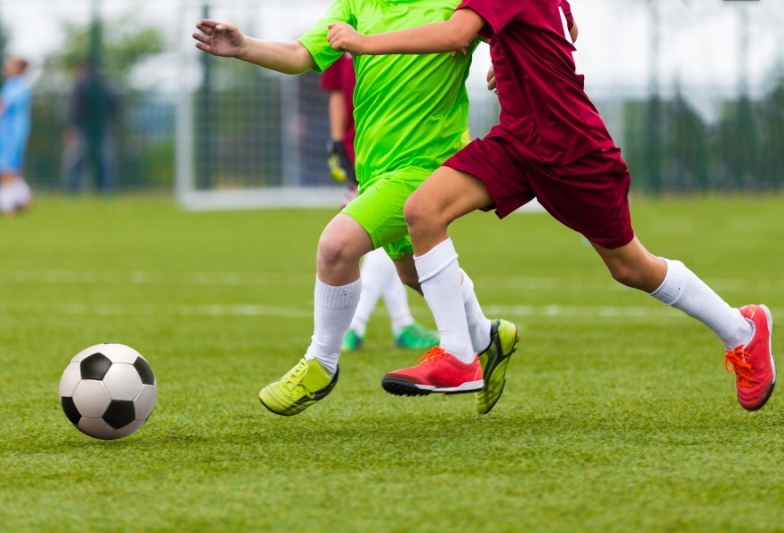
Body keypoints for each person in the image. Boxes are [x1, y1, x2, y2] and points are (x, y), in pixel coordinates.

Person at [327, 0, 776, 411]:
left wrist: (364, 43)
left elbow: (456, 34)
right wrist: (510, 54)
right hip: (517, 141)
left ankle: (743, 330)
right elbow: (562, 28)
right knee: (423, 209)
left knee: (632, 268)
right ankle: (460, 354)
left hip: (572, 149)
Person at [193, 0, 519, 417]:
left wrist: (505, 60)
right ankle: (488, 336)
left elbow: (536, 20)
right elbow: (300, 56)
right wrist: (243, 47)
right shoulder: (357, 3)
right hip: (375, 168)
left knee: (336, 246)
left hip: (429, 167)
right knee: (415, 274)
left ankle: (320, 363)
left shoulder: (456, 5)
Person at [319, 53, 440, 352]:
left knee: (389, 235)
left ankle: (398, 323)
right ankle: (359, 325)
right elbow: (335, 89)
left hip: (401, 149)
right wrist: (337, 141)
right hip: (365, 151)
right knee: (378, 232)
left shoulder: (401, 23)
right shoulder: (348, 18)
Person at [0, 57, 33, 216]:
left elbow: (0, 105)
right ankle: (23, 200)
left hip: (10, 134)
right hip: (11, 133)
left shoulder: (16, 86)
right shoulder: (18, 86)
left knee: (4, 168)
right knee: (12, 169)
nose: (6, 68)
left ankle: (7, 206)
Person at [63, 61, 119, 193]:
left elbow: (76, 109)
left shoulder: (83, 86)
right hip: (101, 127)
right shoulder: (106, 85)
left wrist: (74, 126)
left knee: (78, 159)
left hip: (86, 127)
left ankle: (73, 188)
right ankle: (106, 188)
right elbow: (114, 107)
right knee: (103, 158)